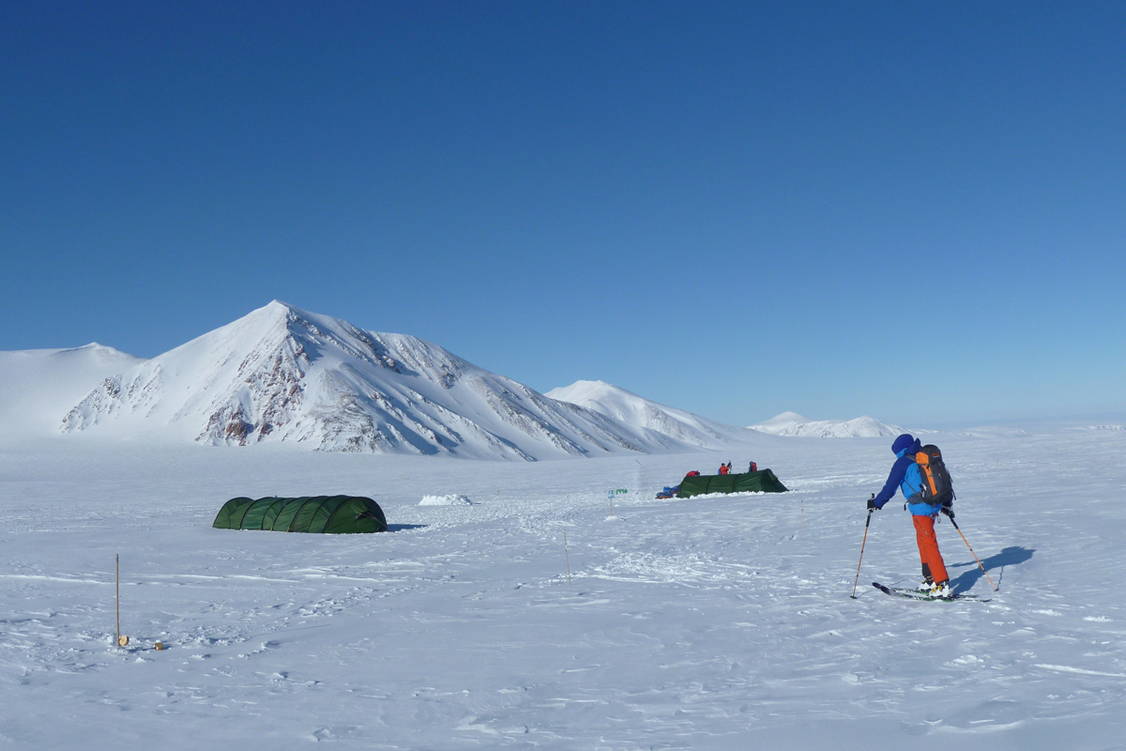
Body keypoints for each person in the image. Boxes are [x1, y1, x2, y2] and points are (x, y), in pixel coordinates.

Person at [867, 433, 952, 598]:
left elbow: (890, 487)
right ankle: (929, 580)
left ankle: (941, 584)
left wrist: (877, 503)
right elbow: (943, 479)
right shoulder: (924, 456)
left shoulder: (903, 462)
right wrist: (946, 504)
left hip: (921, 508)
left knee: (928, 542)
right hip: (932, 504)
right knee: (923, 541)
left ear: (900, 450)